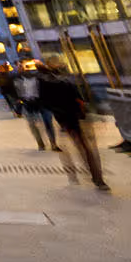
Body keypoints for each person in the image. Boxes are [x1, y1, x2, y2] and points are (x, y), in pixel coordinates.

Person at [37, 55, 107, 189]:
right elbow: (75, 97)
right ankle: (95, 178)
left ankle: (88, 177)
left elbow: (46, 101)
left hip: (68, 118)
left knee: (79, 148)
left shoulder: (51, 80)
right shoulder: (54, 80)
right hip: (69, 118)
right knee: (82, 148)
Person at [15, 65, 57, 152]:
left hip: (43, 103)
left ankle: (53, 143)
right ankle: (40, 143)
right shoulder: (17, 81)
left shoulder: (40, 79)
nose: (24, 70)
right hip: (28, 104)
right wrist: (18, 107)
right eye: (21, 68)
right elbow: (17, 95)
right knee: (32, 125)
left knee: (48, 123)